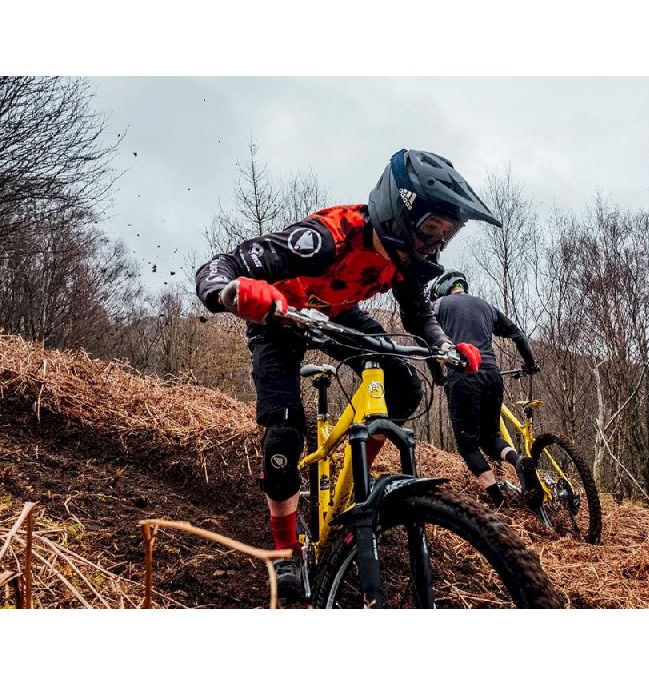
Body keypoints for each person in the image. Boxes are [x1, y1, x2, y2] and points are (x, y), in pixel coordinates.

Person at [196, 149, 501, 596]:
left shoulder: (404, 260)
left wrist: (444, 347)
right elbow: (220, 266)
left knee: (405, 389)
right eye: (431, 229)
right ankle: (285, 551)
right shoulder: (325, 238)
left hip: (336, 313)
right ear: (399, 213)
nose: (436, 244)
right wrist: (230, 291)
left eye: (446, 235)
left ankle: (356, 480)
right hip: (277, 318)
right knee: (283, 436)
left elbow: (419, 314)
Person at [430, 269, 544, 511]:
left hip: (463, 375)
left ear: (442, 289)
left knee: (468, 445)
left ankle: (500, 504)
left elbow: (431, 343)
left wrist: (439, 377)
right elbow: (518, 335)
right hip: (492, 374)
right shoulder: (486, 306)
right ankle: (518, 461)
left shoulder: (439, 305)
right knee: (491, 438)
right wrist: (530, 364)